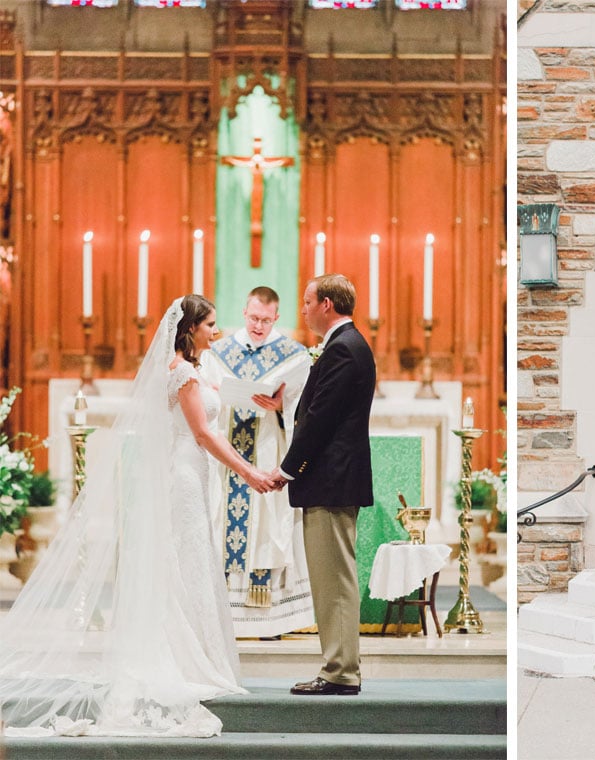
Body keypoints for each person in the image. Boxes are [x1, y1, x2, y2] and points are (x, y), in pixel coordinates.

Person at [0, 295, 277, 737]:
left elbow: (216, 406)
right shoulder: (183, 372)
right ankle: (184, 656)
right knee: (183, 561)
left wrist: (257, 397)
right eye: (209, 324)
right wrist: (249, 472)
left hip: (196, 475)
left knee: (190, 562)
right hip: (185, 474)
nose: (216, 331)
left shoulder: (199, 370)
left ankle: (197, 654)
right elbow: (202, 434)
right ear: (189, 330)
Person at [270, 274, 375, 696]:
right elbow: (318, 408)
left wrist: (287, 468)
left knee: (333, 580)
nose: (304, 308)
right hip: (332, 480)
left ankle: (340, 671)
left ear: (327, 304)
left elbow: (321, 420)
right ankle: (339, 666)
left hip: (330, 480)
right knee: (332, 577)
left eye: (307, 301)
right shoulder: (344, 346)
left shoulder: (342, 350)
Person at [202, 286, 315, 638]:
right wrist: (221, 396)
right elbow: (202, 395)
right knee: (221, 520)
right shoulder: (217, 352)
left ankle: (268, 620)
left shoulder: (294, 356)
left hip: (267, 450)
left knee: (268, 527)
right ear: (244, 312)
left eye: (266, 320)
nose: (258, 326)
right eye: (253, 318)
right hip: (227, 456)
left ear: (277, 318)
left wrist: (282, 407)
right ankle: (222, 615)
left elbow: (304, 406)